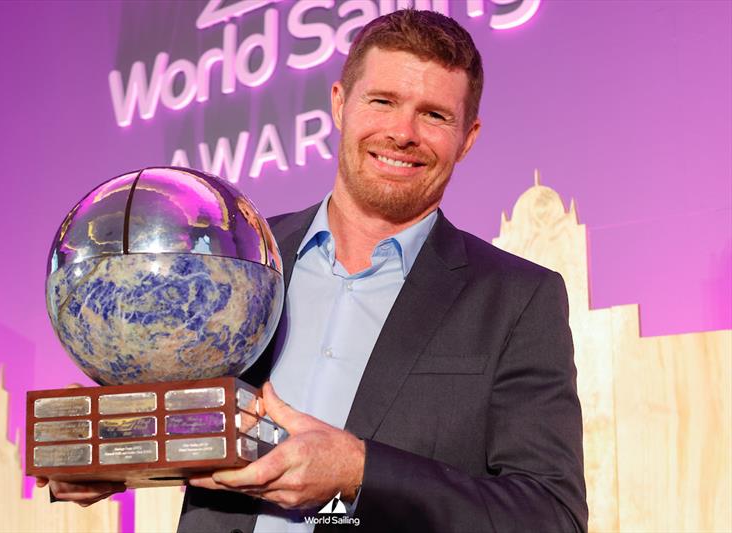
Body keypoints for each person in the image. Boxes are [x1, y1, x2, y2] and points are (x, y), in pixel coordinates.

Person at [42, 9, 588, 532]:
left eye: (435, 115)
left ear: (467, 138)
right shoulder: (235, 262)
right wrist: (104, 447)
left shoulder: (517, 299)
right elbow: (170, 413)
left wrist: (359, 471)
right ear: (339, 104)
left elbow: (550, 516)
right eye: (382, 100)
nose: (403, 132)